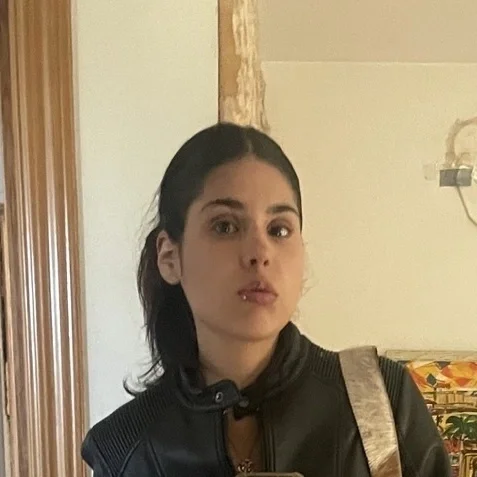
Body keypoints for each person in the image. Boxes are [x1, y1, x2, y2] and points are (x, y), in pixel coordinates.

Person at [81, 123, 451, 476]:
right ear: (169, 257)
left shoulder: (380, 402)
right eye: (225, 226)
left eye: (279, 229)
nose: (260, 252)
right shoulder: (124, 450)